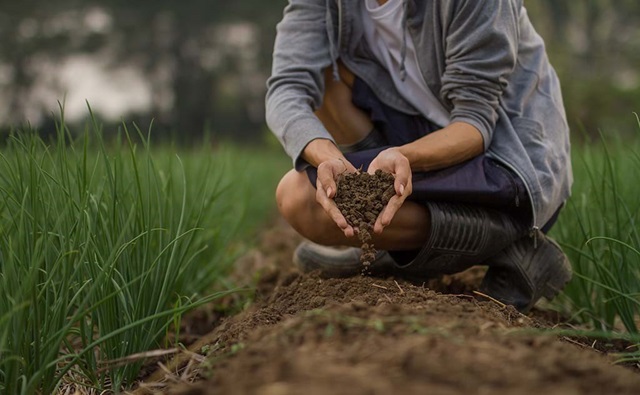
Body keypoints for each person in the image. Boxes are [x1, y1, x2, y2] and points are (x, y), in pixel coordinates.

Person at [266, 0, 573, 313]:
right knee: (327, 83)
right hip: (415, 127)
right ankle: (392, 237)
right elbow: (287, 87)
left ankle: (511, 245)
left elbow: (475, 122)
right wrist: (327, 156)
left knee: (300, 199)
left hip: (505, 154)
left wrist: (404, 156)